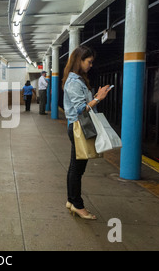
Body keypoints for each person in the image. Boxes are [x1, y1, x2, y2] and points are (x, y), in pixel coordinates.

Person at [62, 45, 111, 220]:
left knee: (75, 167)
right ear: (79, 61)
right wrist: (98, 98)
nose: (91, 65)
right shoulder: (75, 82)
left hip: (77, 127)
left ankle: (71, 201)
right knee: (77, 169)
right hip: (78, 128)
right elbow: (81, 109)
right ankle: (77, 205)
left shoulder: (76, 79)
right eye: (89, 62)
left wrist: (95, 95)